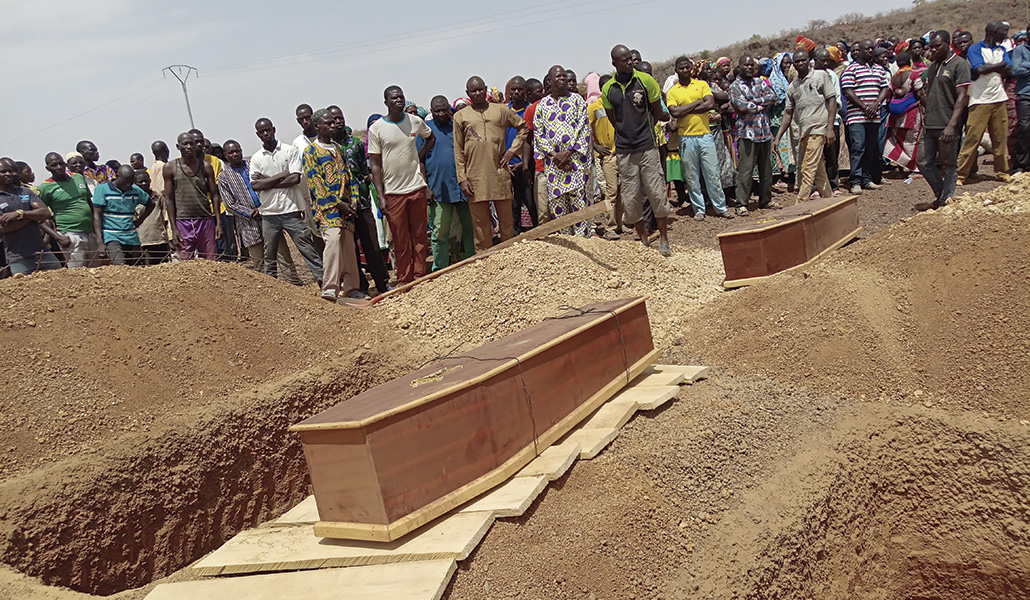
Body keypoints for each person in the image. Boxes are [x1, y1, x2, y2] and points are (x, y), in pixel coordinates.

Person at [601, 45, 672, 256]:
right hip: (624, 151)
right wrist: (627, 134)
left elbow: (657, 111)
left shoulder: (646, 81)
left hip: (648, 147)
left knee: (657, 194)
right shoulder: (608, 89)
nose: (630, 62)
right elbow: (614, 119)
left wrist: (642, 132)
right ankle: (643, 239)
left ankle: (664, 240)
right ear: (615, 63)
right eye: (624, 60)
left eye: (631, 59)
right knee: (631, 200)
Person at [368, 86, 435, 285]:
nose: (398, 101)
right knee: (401, 240)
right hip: (393, 192)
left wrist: (418, 157)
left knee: (420, 237)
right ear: (386, 102)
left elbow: (431, 138)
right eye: (394, 98)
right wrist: (381, 196)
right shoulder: (377, 128)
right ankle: (404, 280)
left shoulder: (415, 121)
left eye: (401, 97)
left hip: (415, 187)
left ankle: (419, 277)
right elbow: (375, 164)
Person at [453, 76, 528, 251]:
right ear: (468, 93)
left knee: (506, 222)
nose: (478, 93)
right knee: (480, 225)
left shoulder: (501, 110)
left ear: (485, 89)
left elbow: (523, 127)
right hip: (475, 177)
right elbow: (458, 150)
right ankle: (485, 261)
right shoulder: (460, 116)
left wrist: (512, 151)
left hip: (499, 172)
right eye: (474, 91)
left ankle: (509, 257)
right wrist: (462, 178)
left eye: (480, 89)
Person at [249, 118, 324, 287]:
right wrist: (281, 175)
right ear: (258, 135)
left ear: (274, 129)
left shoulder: (289, 150)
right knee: (270, 255)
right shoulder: (256, 158)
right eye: (262, 132)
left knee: (308, 250)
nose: (266, 134)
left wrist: (267, 182)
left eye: (268, 130)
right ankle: (272, 288)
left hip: (291, 210)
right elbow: (255, 185)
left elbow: (295, 178)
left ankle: (324, 283)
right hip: (268, 213)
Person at [328, 105, 392, 295]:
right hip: (341, 207)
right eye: (333, 120)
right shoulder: (327, 148)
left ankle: (383, 283)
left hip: (361, 203)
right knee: (351, 250)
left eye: (340, 118)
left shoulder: (355, 144)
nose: (338, 122)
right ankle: (360, 286)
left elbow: (365, 172)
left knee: (372, 245)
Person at [303, 109, 364, 301]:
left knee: (348, 246)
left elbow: (350, 177)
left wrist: (353, 200)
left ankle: (352, 288)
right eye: (327, 123)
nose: (332, 126)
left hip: (346, 207)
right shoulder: (310, 152)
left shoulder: (338, 149)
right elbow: (316, 184)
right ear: (316, 127)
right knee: (333, 242)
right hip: (327, 209)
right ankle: (330, 287)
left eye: (333, 122)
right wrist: (338, 204)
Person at [666, 57, 735, 220]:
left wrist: (685, 110)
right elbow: (674, 112)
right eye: (681, 68)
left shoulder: (702, 85)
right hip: (686, 138)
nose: (684, 71)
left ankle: (720, 207)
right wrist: (697, 104)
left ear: (691, 69)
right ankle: (698, 209)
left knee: (712, 173)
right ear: (676, 71)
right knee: (692, 176)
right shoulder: (673, 91)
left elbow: (709, 104)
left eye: (687, 68)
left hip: (705, 136)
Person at [533, 65, 593, 237]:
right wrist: (556, 157)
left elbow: (583, 129)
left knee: (579, 204)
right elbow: (539, 134)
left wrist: (567, 154)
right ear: (550, 81)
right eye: (557, 76)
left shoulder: (577, 100)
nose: (562, 78)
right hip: (555, 166)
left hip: (576, 163)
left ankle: (583, 243)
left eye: (564, 76)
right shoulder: (542, 105)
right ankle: (567, 245)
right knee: (558, 207)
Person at [773, 49, 838, 204]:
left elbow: (832, 100)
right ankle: (830, 201)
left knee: (807, 168)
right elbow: (788, 114)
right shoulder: (792, 87)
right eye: (797, 61)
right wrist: (778, 137)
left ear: (809, 60)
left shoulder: (820, 76)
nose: (801, 63)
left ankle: (799, 204)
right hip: (803, 131)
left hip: (819, 127)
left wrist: (830, 128)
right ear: (793, 64)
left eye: (804, 60)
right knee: (818, 171)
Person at [917, 30, 972, 210]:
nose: (933, 50)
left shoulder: (959, 65)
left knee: (949, 165)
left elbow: (962, 97)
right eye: (931, 47)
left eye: (937, 46)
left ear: (948, 44)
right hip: (930, 123)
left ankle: (945, 201)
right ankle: (943, 196)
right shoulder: (933, 66)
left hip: (947, 123)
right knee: (923, 161)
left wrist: (952, 125)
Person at [957, 21, 1013, 184]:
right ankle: (960, 174)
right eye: (1004, 32)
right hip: (980, 100)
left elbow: (1009, 70)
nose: (1006, 35)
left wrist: (992, 67)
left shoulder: (1001, 49)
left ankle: (1002, 172)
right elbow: (978, 69)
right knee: (972, 138)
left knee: (1000, 139)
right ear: (994, 32)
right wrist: (1000, 65)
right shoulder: (975, 49)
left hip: (999, 99)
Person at [424, 95, 475, 271]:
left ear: (449, 109)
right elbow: (420, 161)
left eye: (444, 109)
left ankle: (472, 262)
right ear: (431, 111)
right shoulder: (426, 130)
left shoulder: (457, 126)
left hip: (463, 187)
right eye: (437, 110)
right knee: (440, 233)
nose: (441, 113)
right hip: (439, 188)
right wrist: (426, 188)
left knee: (470, 228)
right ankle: (440, 269)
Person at [730, 55, 779, 215]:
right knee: (746, 170)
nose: (749, 68)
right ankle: (741, 204)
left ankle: (766, 200)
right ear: (740, 66)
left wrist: (754, 102)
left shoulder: (760, 82)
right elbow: (741, 105)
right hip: (747, 133)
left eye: (752, 65)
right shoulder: (735, 86)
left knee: (767, 169)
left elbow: (773, 97)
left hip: (764, 132)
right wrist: (759, 103)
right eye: (746, 65)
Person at [841, 39, 891, 194]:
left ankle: (867, 179)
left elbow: (884, 88)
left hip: (874, 116)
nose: (870, 51)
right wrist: (864, 107)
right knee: (858, 147)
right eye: (867, 49)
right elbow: (848, 91)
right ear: (860, 51)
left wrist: (876, 104)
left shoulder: (879, 69)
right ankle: (855, 180)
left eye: (872, 48)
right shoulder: (851, 69)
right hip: (856, 116)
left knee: (871, 148)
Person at [162, 132, 222, 260]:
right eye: (185, 144)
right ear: (178, 147)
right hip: (183, 221)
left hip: (205, 219)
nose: (189, 147)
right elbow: (169, 199)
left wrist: (218, 223)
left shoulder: (206, 167)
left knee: (210, 261)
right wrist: (174, 228)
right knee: (186, 263)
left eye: (191, 143)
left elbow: (215, 195)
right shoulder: (170, 168)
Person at [0, 157, 63, 275]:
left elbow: (45, 213)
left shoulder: (25, 191)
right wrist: (32, 218)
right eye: (3, 171)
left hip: (42, 252)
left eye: (10, 171)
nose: (8, 174)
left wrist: (19, 214)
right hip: (18, 258)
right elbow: (4, 228)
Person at [37, 152, 99, 268]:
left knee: (96, 270)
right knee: (77, 274)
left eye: (61, 163)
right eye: (54, 165)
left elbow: (89, 203)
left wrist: (97, 231)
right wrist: (57, 237)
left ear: (65, 164)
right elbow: (40, 216)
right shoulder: (45, 188)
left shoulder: (78, 177)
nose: (59, 167)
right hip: (69, 234)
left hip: (90, 232)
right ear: (48, 168)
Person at [92, 165, 155, 266]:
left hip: (131, 236)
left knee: (136, 268)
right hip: (112, 236)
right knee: (120, 266)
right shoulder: (102, 190)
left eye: (131, 182)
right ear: (117, 176)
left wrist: (139, 221)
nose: (128, 185)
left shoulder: (135, 190)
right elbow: (97, 216)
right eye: (125, 181)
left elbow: (150, 204)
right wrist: (99, 241)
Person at [588, 74, 622, 238]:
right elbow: (585, 129)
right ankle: (609, 228)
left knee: (623, 191)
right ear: (601, 89)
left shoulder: (619, 104)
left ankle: (621, 224)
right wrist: (595, 146)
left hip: (623, 152)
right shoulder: (594, 107)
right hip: (608, 155)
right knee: (611, 192)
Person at [883, 52, 926, 173]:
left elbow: (889, 95)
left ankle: (900, 168)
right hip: (911, 114)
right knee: (913, 141)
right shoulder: (914, 75)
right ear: (910, 62)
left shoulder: (894, 78)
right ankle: (914, 167)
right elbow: (919, 94)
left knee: (898, 141)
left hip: (895, 115)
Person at [505, 76, 536, 233]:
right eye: (513, 89)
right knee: (512, 207)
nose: (516, 92)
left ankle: (541, 240)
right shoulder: (504, 111)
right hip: (508, 168)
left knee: (532, 204)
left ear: (526, 91)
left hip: (527, 167)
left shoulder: (531, 111)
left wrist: (524, 163)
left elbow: (533, 140)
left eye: (520, 89)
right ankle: (514, 241)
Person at [814, 47, 845, 194]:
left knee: (832, 156)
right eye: (822, 60)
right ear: (816, 60)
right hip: (814, 123)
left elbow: (836, 100)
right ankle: (816, 188)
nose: (825, 63)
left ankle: (834, 186)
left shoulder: (832, 75)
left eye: (828, 60)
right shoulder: (810, 76)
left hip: (832, 121)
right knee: (816, 158)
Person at [523, 77, 550, 225]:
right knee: (543, 211)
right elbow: (527, 140)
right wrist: (526, 166)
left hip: (564, 166)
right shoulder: (532, 109)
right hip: (541, 167)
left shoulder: (566, 105)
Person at [133, 169, 170, 265]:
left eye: (146, 181)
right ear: (135, 183)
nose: (144, 184)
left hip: (159, 240)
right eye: (140, 182)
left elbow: (165, 215)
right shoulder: (133, 199)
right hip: (143, 241)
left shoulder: (157, 197)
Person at [1012, 21, 1030, 173]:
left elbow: (1022, 67)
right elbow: (1016, 70)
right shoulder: (1020, 50)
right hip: (1025, 94)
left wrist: (1027, 65)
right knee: (1025, 127)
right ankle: (1020, 165)